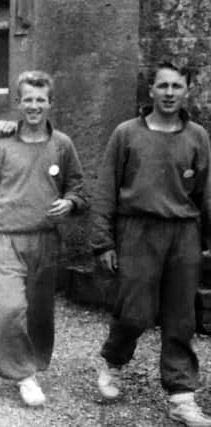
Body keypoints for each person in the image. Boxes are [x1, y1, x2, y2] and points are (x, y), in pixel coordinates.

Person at [92, 61, 211, 427]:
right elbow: (105, 190)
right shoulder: (126, 134)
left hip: (183, 233)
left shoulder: (198, 137)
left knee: (181, 317)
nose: (170, 93)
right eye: (163, 86)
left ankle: (181, 394)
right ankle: (112, 361)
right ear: (151, 90)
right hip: (138, 230)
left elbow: (207, 193)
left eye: (177, 86)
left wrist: (208, 240)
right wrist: (103, 242)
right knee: (135, 312)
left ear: (186, 90)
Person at [0, 70, 88, 407]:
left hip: (45, 240)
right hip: (5, 238)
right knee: (7, 307)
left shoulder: (62, 145)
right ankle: (23, 374)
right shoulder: (3, 143)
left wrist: (69, 203)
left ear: (50, 103)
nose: (34, 106)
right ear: (18, 102)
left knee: (39, 311)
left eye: (41, 100)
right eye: (28, 99)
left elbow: (78, 188)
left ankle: (33, 364)